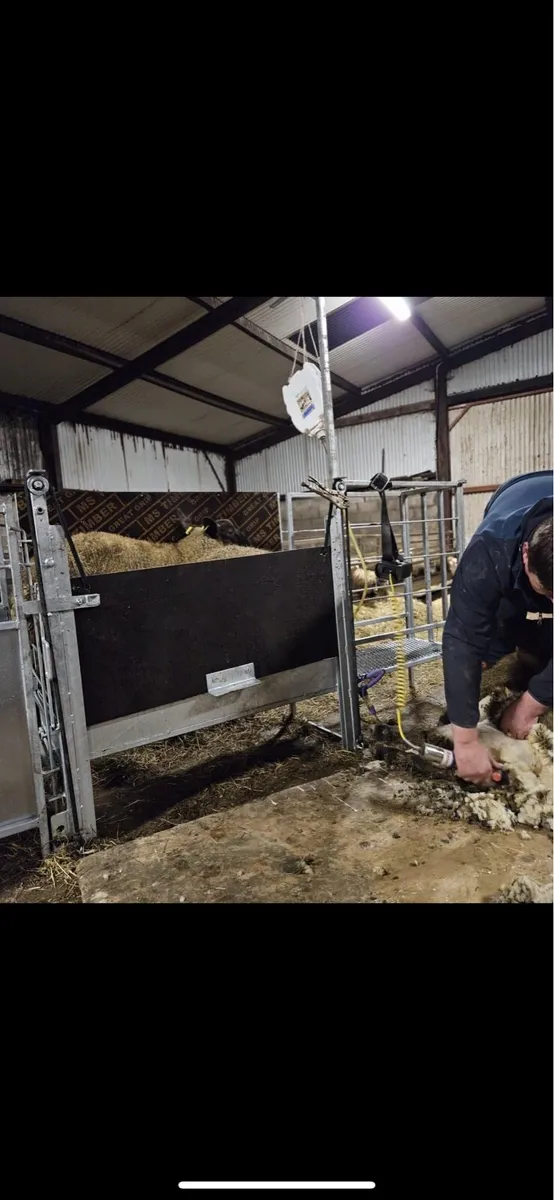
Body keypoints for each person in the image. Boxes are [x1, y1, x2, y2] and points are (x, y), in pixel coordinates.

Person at [442, 469, 553, 785]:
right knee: (488, 637)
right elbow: (462, 635)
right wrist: (464, 741)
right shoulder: (492, 550)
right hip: (514, 497)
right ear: (527, 553)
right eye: (549, 593)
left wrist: (532, 704)